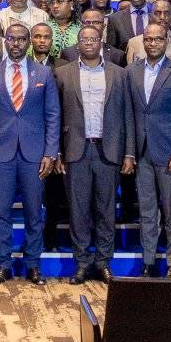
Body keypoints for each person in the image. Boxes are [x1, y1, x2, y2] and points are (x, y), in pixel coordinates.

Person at [0, 23, 60, 284]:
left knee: (34, 213)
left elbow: (53, 116)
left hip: (34, 154)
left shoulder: (44, 73)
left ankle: (33, 264)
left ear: (28, 42)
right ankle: (4, 263)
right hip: (0, 153)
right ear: (5, 41)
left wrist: (50, 152)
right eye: (11, 38)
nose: (16, 43)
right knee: (1, 212)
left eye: (21, 39)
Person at [57, 26, 130, 284]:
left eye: (93, 39)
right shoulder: (62, 73)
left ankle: (103, 262)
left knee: (106, 210)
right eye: (84, 39)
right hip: (76, 150)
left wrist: (129, 153)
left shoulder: (119, 73)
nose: (88, 43)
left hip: (108, 150)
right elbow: (55, 116)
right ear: (77, 43)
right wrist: (57, 151)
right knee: (78, 211)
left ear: (101, 42)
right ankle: (81, 263)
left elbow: (128, 116)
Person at [125, 22, 171, 276]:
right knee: (147, 213)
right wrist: (130, 152)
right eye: (148, 39)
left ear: (166, 41)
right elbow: (129, 115)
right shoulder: (131, 71)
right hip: (142, 153)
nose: (152, 43)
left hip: (170, 154)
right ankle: (149, 261)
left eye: (157, 39)